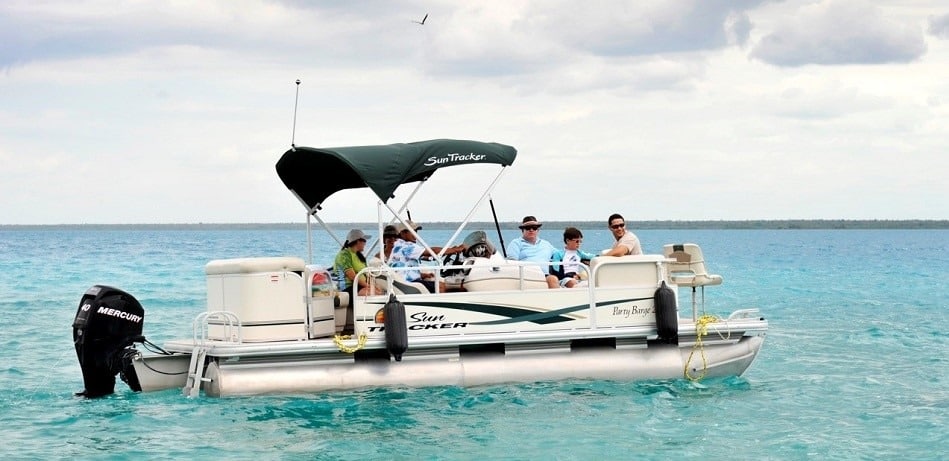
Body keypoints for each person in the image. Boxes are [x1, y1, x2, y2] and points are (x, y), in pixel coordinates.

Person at [389, 220, 465, 292]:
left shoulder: (398, 245)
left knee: (437, 282)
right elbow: (432, 251)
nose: (416, 234)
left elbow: (428, 257)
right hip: (408, 283)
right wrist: (455, 250)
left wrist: (423, 275)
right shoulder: (407, 247)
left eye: (416, 231)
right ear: (403, 233)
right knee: (445, 287)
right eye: (413, 231)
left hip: (403, 281)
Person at [505, 216, 559, 288]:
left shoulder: (546, 244)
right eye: (528, 228)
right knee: (553, 279)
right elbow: (512, 262)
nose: (531, 230)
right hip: (526, 276)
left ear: (538, 230)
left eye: (534, 227)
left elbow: (560, 254)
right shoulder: (516, 243)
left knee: (557, 279)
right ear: (522, 230)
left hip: (544, 275)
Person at [334, 229, 384, 297]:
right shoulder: (344, 254)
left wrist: (374, 285)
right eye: (364, 240)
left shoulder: (359, 256)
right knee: (375, 293)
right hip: (347, 288)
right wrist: (369, 286)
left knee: (381, 291)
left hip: (360, 286)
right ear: (358, 241)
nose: (365, 243)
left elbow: (367, 274)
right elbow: (352, 276)